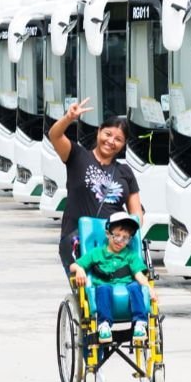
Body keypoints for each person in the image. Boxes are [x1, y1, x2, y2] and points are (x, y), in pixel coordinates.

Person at [49, 97, 144, 269]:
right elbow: (54, 135)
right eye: (108, 134)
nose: (111, 141)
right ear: (99, 132)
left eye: (118, 139)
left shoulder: (125, 172)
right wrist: (68, 118)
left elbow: (136, 212)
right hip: (78, 240)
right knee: (89, 288)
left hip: (113, 243)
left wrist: (131, 231)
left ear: (123, 145)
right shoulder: (77, 156)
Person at [69, 212, 155, 342]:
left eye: (125, 238)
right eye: (117, 236)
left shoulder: (130, 255)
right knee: (103, 288)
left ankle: (140, 323)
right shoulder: (96, 253)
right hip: (104, 286)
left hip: (127, 286)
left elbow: (138, 274)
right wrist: (80, 269)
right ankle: (104, 324)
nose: (120, 241)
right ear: (108, 234)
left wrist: (150, 288)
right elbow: (73, 266)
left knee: (135, 286)